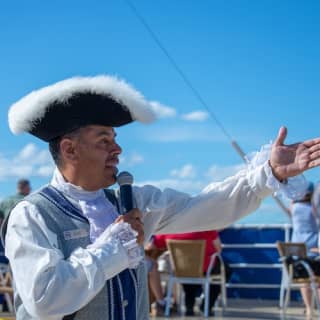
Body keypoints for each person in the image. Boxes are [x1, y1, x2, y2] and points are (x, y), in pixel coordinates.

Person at [3, 74, 320, 320]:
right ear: (69, 149)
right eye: (104, 140)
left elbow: (206, 207)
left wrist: (268, 173)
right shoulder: (33, 215)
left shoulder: (133, 203)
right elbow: (45, 300)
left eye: (115, 139)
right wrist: (113, 247)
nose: (118, 149)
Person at [153, 231, 231, 316]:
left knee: (188, 270)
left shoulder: (170, 229)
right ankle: (207, 305)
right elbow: (218, 249)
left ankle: (189, 306)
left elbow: (153, 245)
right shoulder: (208, 228)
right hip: (205, 269)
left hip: (181, 269)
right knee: (225, 270)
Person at [290, 182, 319, 316]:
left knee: (305, 281)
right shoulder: (313, 209)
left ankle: (309, 309)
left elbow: (291, 205)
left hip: (297, 253)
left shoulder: (294, 207)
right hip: (313, 250)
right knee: (318, 281)